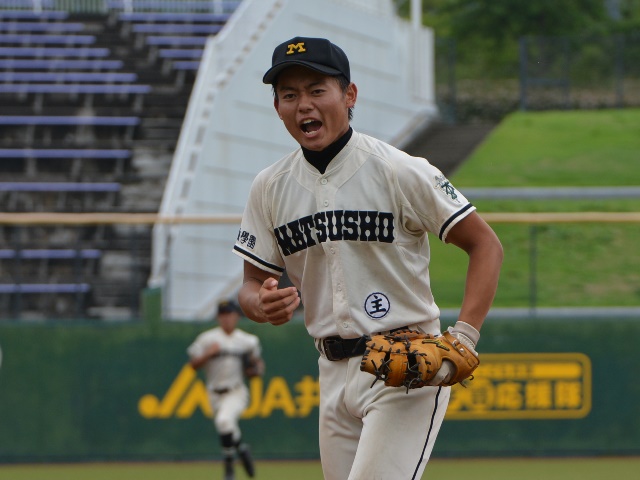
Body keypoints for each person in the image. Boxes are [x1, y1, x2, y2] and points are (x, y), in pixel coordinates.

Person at [233, 36, 503, 479]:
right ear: (278, 107)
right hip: (331, 371)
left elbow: (486, 245)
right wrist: (259, 304)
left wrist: (465, 338)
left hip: (407, 367)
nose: (303, 105)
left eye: (317, 90)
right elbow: (249, 284)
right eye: (289, 95)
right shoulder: (270, 187)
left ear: (349, 94)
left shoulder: (399, 170)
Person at [187, 299, 264, 480]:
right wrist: (208, 353)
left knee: (223, 421)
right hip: (214, 393)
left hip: (236, 391)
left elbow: (257, 365)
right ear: (217, 317)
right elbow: (193, 365)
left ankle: (229, 469)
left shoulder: (247, 340)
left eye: (229, 314)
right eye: (222, 315)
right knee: (228, 428)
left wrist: (256, 369)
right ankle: (242, 449)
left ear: (236, 316)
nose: (226, 319)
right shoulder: (207, 339)